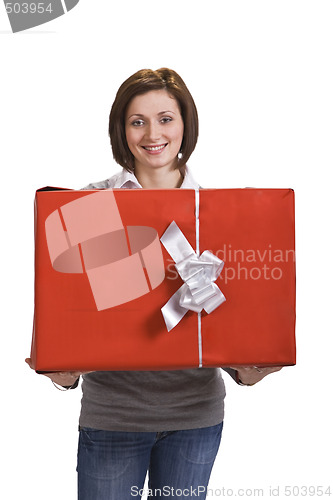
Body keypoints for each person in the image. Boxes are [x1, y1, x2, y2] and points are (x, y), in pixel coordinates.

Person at [26, 68, 282, 499]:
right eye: (137, 120)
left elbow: (229, 322)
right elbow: (72, 310)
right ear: (121, 130)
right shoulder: (90, 205)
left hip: (195, 416)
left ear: (185, 124)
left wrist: (249, 372)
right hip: (114, 416)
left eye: (166, 118)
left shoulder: (217, 214)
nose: (152, 134)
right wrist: (62, 375)